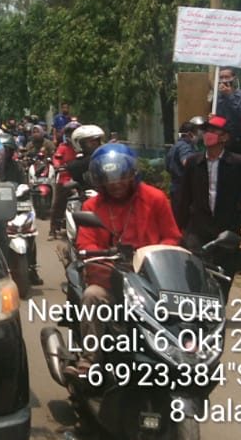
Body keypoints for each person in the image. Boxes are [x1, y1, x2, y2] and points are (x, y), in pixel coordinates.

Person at [72, 144, 182, 365]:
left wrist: (155, 256)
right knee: (92, 296)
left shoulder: (156, 198)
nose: (117, 186)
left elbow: (172, 237)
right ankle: (90, 359)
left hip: (152, 281)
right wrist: (105, 260)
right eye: (110, 182)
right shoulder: (91, 206)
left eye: (121, 179)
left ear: (133, 175)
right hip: (110, 279)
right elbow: (86, 243)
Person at [173, 116, 241, 290]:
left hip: (227, 228)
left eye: (214, 131)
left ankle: (218, 312)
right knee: (195, 277)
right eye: (206, 131)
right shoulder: (194, 162)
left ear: (224, 137)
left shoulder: (238, 163)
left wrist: (240, 200)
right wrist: (179, 227)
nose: (208, 135)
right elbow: (183, 197)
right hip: (198, 229)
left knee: (223, 277)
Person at [48, 121, 80, 240]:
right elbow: (56, 158)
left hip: (79, 179)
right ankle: (53, 230)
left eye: (74, 132)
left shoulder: (82, 147)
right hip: (64, 178)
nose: (72, 135)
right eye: (70, 133)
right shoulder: (63, 147)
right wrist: (58, 166)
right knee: (58, 204)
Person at [214, 68, 241, 156]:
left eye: (227, 77)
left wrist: (229, 96)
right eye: (221, 77)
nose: (224, 80)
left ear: (234, 79)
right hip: (220, 140)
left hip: (237, 140)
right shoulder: (216, 98)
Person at [165, 121, 198, 200]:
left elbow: (167, 166)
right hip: (183, 190)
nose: (198, 136)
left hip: (175, 188)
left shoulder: (175, 146)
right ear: (190, 134)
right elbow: (187, 162)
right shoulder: (185, 146)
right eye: (196, 133)